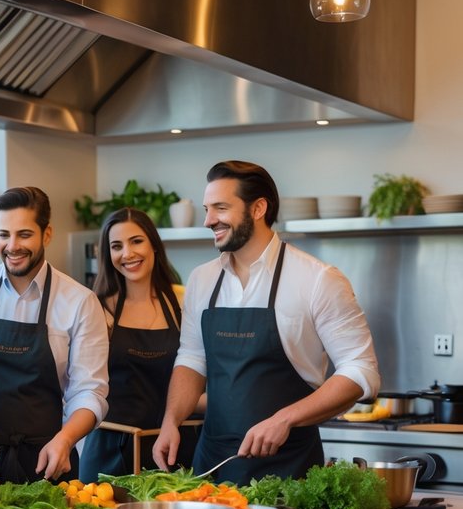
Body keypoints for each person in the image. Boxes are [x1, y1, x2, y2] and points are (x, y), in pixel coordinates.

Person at [152, 161, 380, 483]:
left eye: (220, 208)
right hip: (212, 470)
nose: (208, 220)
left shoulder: (317, 279)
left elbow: (360, 370)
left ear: (258, 208)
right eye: (207, 209)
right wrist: (171, 421)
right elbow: (192, 358)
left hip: (291, 471)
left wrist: (284, 419)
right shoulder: (202, 280)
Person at [0, 187, 109, 483]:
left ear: (47, 234)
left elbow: (90, 392)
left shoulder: (80, 302)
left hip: (50, 465)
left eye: (24, 235)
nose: (12, 246)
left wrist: (65, 439)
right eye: (4, 234)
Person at [79, 207, 200, 482]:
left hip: (174, 450)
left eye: (136, 241)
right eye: (116, 246)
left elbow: (199, 375)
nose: (128, 254)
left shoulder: (184, 301)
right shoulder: (97, 309)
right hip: (109, 453)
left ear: (154, 245)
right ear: (108, 256)